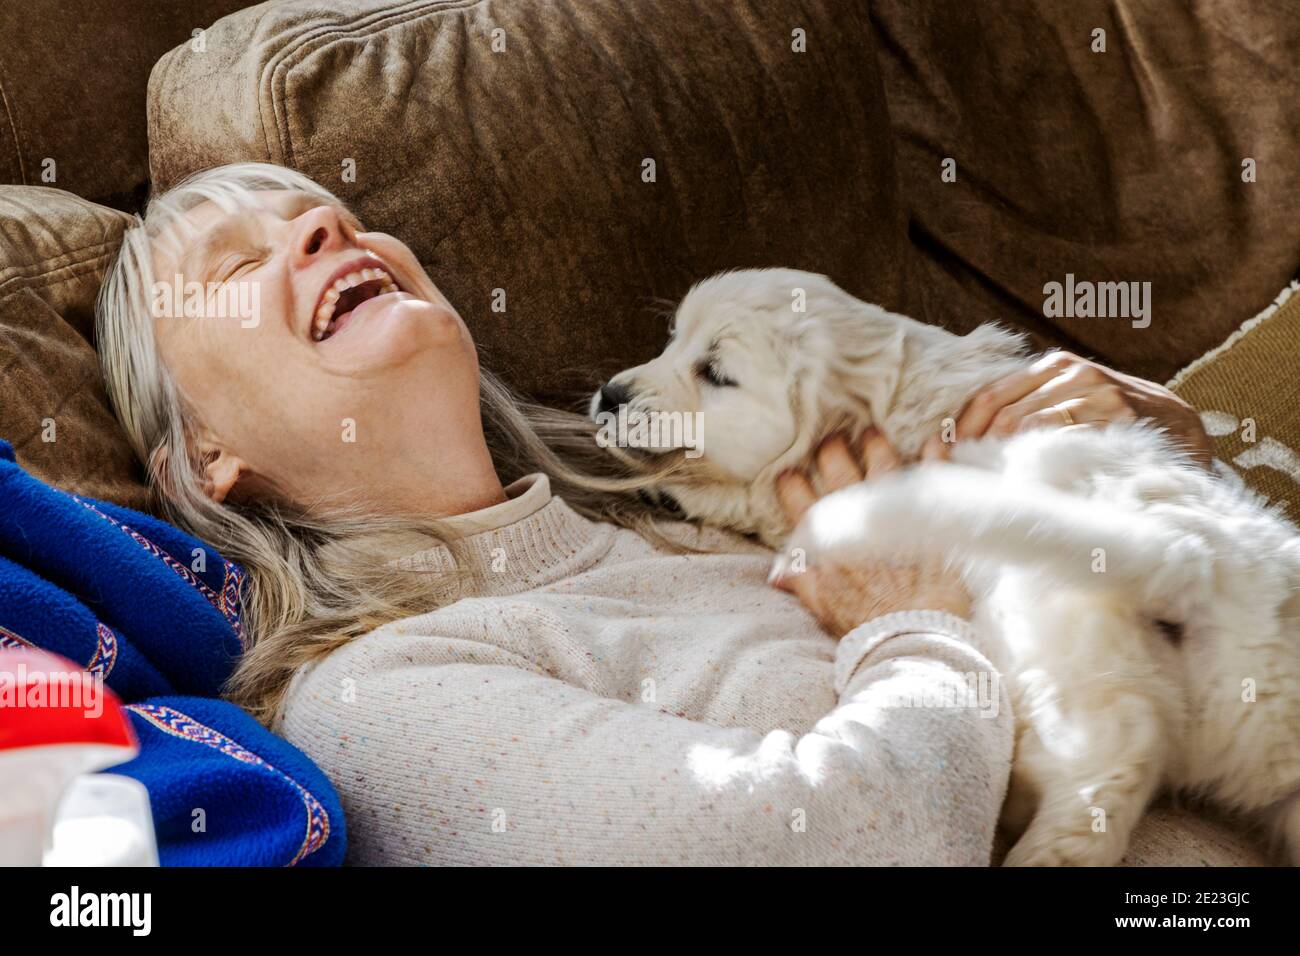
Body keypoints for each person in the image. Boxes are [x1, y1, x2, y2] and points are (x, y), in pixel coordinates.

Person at [95, 163, 1211, 865]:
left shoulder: (707, 485)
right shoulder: (384, 696)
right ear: (207, 455)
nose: (327, 235)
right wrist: (916, 621)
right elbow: (853, 841)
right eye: (242, 259)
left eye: (335, 217)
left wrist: (1144, 433)